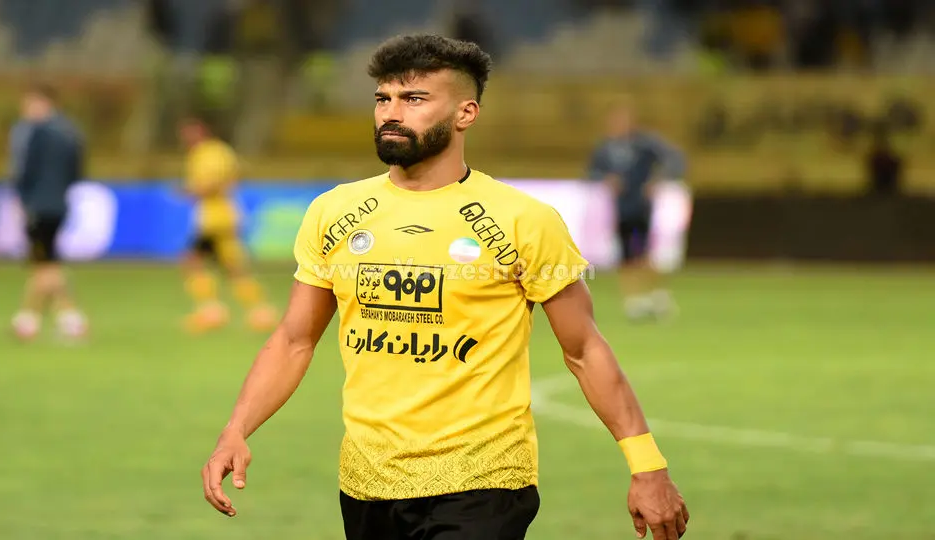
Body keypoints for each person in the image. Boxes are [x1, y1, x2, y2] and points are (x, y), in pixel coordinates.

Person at [201, 35, 689, 540]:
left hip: (484, 481)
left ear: (465, 113)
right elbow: (293, 340)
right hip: (367, 482)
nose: (391, 113)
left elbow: (584, 348)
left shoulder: (523, 220)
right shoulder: (334, 212)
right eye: (383, 98)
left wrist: (647, 465)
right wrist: (236, 429)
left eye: (414, 99)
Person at [587, 97, 688, 322]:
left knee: (643, 254)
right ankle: (635, 300)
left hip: (641, 207)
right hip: (620, 208)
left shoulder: (644, 144)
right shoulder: (605, 148)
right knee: (626, 256)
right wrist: (606, 180)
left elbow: (674, 158)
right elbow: (593, 172)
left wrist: (659, 179)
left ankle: (657, 295)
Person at [178, 116, 277, 333]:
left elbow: (216, 183)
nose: (186, 137)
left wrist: (192, 190)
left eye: (190, 132)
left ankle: (218, 311)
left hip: (217, 219)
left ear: (202, 130)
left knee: (199, 262)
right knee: (226, 267)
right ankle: (254, 311)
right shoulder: (217, 151)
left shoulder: (209, 153)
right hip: (220, 217)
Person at [9, 84, 88, 341]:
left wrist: (22, 198)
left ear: (43, 103)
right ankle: (33, 319)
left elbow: (25, 169)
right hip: (60, 204)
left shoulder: (34, 133)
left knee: (44, 263)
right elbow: (77, 171)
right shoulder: (71, 132)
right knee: (46, 261)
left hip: (38, 205)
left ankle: (64, 318)